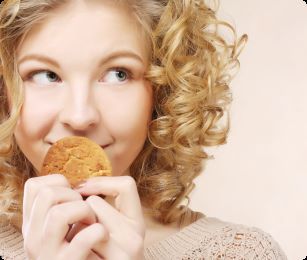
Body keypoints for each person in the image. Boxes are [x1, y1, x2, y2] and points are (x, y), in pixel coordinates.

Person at [0, 0, 287, 259]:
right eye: (46, 76)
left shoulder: (241, 253)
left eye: (117, 74)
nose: (80, 116)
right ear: (5, 93)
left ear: (164, 92)